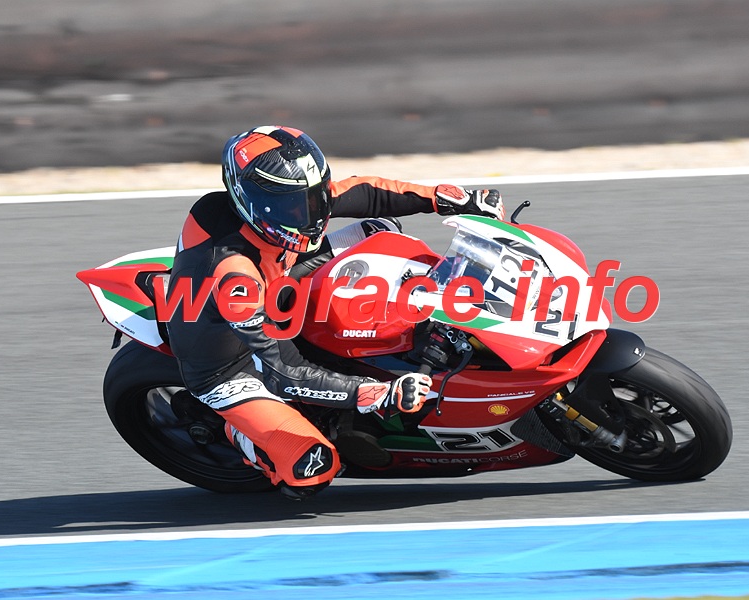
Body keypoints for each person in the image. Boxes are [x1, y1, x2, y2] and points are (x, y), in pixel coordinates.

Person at [165, 125, 505, 499]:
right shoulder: (234, 279)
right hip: (234, 365)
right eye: (296, 206)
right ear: (252, 203)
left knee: (378, 231)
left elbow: (364, 192)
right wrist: (378, 393)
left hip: (277, 281)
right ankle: (238, 434)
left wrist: (447, 199)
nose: (312, 214)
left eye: (314, 197)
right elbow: (284, 371)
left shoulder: (280, 206)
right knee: (312, 468)